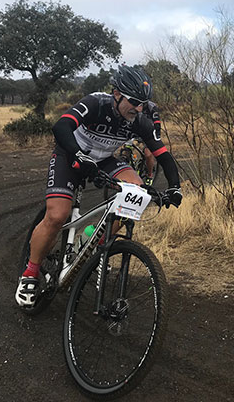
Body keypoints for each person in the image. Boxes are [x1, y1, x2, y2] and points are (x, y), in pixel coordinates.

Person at [15, 65, 182, 307]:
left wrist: (175, 187)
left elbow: (163, 156)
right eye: (134, 101)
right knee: (57, 215)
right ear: (117, 94)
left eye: (143, 103)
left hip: (103, 159)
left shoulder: (140, 120)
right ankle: (30, 273)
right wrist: (78, 156)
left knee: (135, 192)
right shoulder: (96, 103)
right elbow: (61, 127)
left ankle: (90, 240)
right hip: (69, 154)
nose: (138, 108)